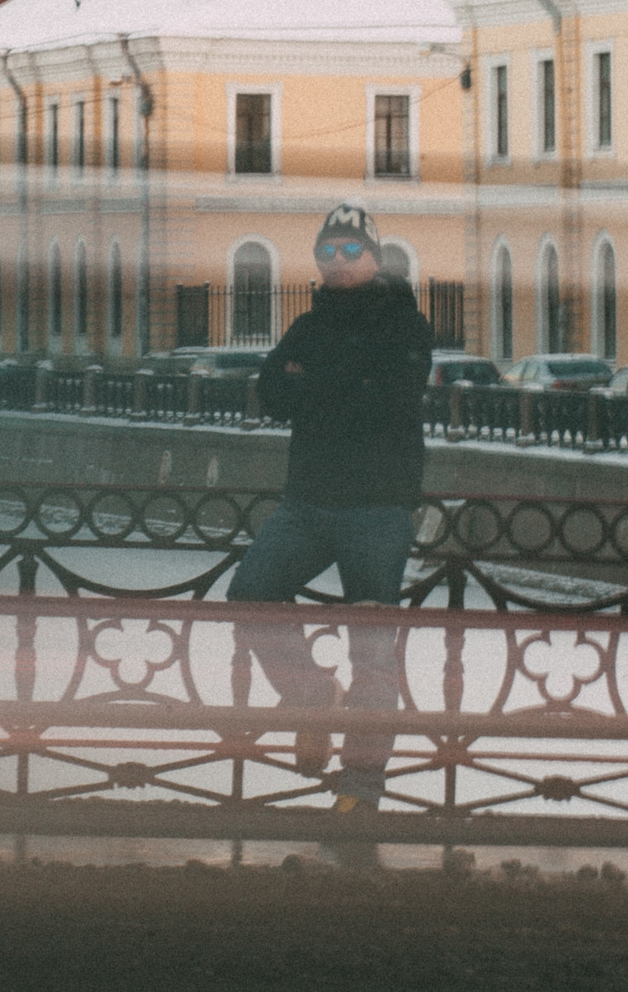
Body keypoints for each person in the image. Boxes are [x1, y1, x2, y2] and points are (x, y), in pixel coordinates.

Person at [229, 203, 435, 812]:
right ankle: (315, 697)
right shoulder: (308, 324)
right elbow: (270, 392)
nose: (337, 262)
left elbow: (383, 399)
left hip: (378, 507)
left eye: (350, 251)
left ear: (374, 256)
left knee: (372, 649)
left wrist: (314, 383)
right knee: (251, 594)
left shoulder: (406, 324)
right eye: (328, 252)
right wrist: (339, 382)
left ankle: (362, 784)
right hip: (309, 501)